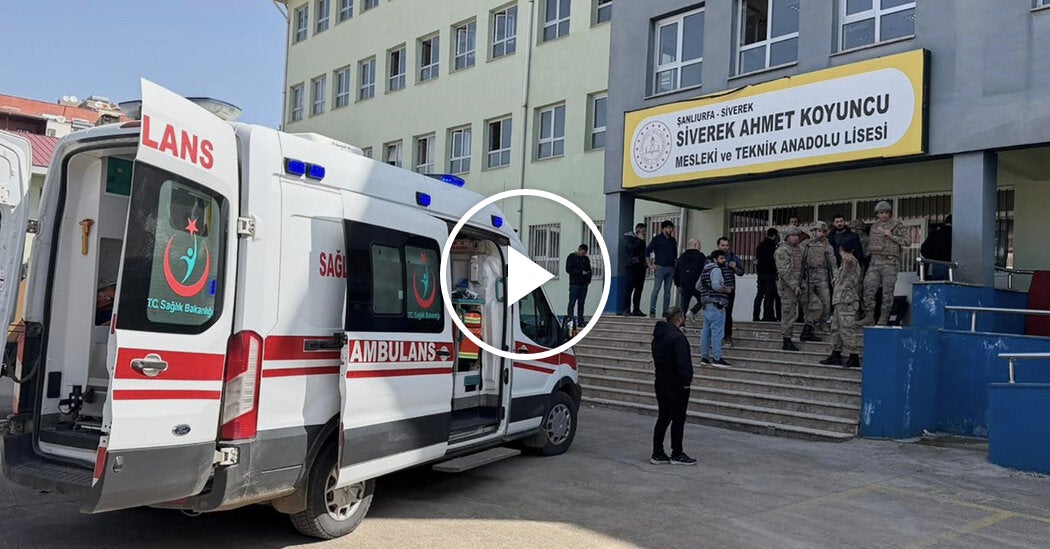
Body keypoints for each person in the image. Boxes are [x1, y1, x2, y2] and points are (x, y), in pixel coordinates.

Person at [650, 307, 697, 466]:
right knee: (678, 419)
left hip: (661, 381)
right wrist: (686, 381)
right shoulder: (678, 337)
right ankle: (677, 452)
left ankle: (657, 452)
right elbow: (683, 362)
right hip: (676, 384)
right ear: (680, 318)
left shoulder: (659, 336)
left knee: (663, 417)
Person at [859, 201, 912, 326]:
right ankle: (869, 316)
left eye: (886, 212)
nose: (884, 215)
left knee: (887, 292)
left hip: (890, 262)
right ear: (877, 214)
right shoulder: (874, 226)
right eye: (881, 213)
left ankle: (884, 317)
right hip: (875, 262)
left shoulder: (897, 225)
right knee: (868, 289)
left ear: (890, 213)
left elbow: (908, 241)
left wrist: (891, 235)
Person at [820, 242, 863, 368]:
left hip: (846, 300)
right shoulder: (844, 263)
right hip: (839, 300)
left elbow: (850, 263)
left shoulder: (851, 261)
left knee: (846, 328)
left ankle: (853, 355)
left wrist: (847, 257)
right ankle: (836, 353)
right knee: (836, 328)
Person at [696, 250, 733, 367]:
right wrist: (726, 289)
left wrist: (707, 292)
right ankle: (717, 358)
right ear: (715, 260)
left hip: (706, 306)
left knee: (706, 333)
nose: (724, 260)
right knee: (717, 333)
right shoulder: (716, 270)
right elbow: (716, 286)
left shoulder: (705, 270)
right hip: (717, 305)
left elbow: (697, 286)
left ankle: (704, 357)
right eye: (721, 258)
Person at [801, 221, 835, 342]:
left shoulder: (828, 246)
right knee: (808, 301)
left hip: (822, 274)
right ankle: (809, 323)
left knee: (826, 300)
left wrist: (835, 277)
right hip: (809, 275)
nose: (821, 234)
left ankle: (823, 322)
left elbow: (833, 264)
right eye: (819, 231)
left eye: (824, 231)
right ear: (814, 231)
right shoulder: (805, 245)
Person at [775, 226, 804, 351]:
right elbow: (784, 271)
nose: (796, 237)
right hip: (788, 287)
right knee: (789, 313)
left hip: (800, 285)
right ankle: (786, 340)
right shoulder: (782, 250)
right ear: (787, 237)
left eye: (797, 235)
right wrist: (794, 285)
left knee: (815, 305)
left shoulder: (799, 249)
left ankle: (808, 329)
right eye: (793, 235)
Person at [646, 220, 678, 318]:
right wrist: (650, 265)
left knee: (667, 292)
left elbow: (675, 255)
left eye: (671, 228)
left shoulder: (672, 240)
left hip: (670, 268)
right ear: (663, 228)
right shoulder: (657, 239)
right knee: (656, 289)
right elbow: (647, 251)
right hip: (660, 267)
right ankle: (652, 310)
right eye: (669, 228)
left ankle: (665, 312)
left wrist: (675, 267)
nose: (671, 230)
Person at [716, 237, 743, 346]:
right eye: (722, 245)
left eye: (727, 245)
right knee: (716, 313)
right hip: (716, 290)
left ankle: (727, 336)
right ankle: (715, 336)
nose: (725, 247)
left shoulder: (733, 257)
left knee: (727, 313)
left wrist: (734, 268)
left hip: (729, 289)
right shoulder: (712, 257)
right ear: (718, 246)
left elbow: (741, 272)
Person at [673, 239, 706, 321]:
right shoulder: (701, 256)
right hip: (697, 284)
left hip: (684, 284)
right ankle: (692, 311)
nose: (700, 247)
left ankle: (681, 324)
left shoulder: (682, 257)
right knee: (703, 300)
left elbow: (676, 271)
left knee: (684, 306)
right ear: (695, 245)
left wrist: (678, 284)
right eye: (699, 245)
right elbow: (705, 270)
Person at [753, 228, 780, 322]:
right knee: (769, 296)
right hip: (770, 274)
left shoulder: (760, 245)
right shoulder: (773, 246)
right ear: (774, 235)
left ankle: (756, 316)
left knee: (759, 295)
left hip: (760, 274)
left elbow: (757, 260)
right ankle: (768, 316)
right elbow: (774, 261)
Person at [623, 223, 647, 316]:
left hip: (641, 267)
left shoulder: (642, 241)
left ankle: (636, 309)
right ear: (638, 231)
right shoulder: (629, 238)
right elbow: (632, 248)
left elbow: (643, 252)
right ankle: (626, 309)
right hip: (631, 267)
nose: (644, 233)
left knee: (639, 289)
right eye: (643, 231)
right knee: (629, 289)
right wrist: (639, 240)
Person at [565, 244, 591, 328]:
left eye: (584, 253)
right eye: (582, 253)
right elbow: (568, 269)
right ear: (579, 250)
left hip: (583, 284)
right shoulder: (571, 257)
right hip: (574, 284)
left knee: (581, 303)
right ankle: (570, 321)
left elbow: (589, 270)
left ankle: (580, 321)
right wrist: (580, 272)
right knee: (572, 302)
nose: (583, 254)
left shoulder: (585, 259)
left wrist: (588, 280)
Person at [920, 214, 952, 280]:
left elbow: (924, 250)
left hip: (932, 266)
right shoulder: (954, 234)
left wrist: (932, 257)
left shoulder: (934, 233)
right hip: (948, 266)